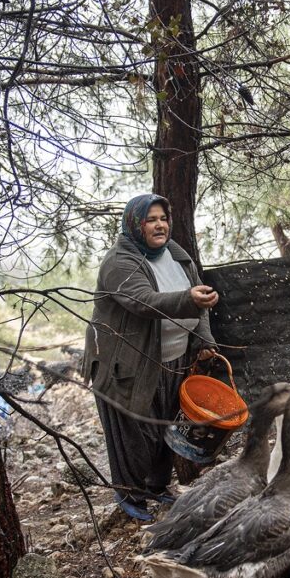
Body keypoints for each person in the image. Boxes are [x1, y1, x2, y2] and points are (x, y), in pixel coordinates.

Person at [82, 193, 218, 521]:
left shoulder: (175, 253)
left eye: (163, 219)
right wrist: (188, 299)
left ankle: (157, 486)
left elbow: (197, 299)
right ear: (135, 224)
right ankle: (131, 496)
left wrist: (204, 339)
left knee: (165, 427)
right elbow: (143, 301)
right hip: (127, 365)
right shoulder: (120, 261)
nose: (159, 225)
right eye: (150, 220)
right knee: (134, 433)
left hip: (174, 359)